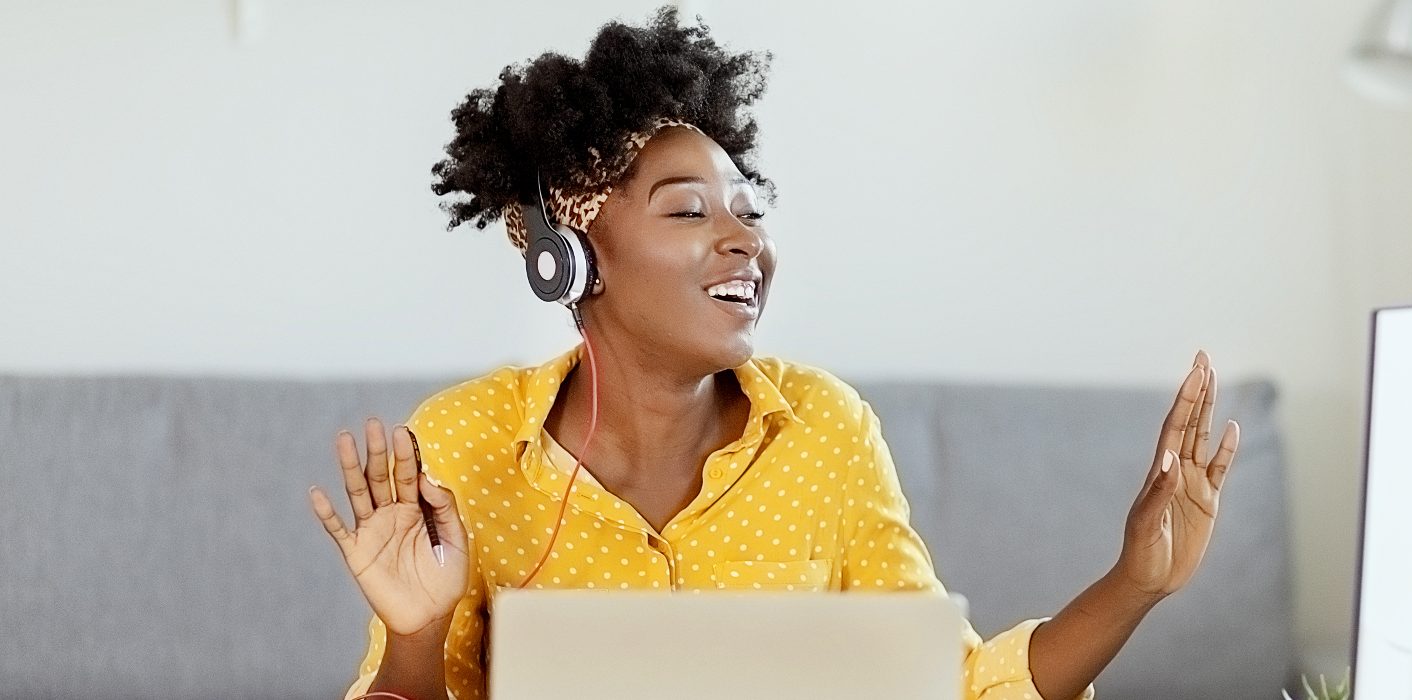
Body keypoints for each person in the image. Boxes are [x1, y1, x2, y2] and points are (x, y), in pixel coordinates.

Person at [305, 9, 1241, 700]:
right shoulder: (462, 445)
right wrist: (415, 638)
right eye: (689, 209)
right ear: (571, 259)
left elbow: (946, 688)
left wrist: (1134, 585)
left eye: (749, 210)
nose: (744, 239)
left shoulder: (827, 430)